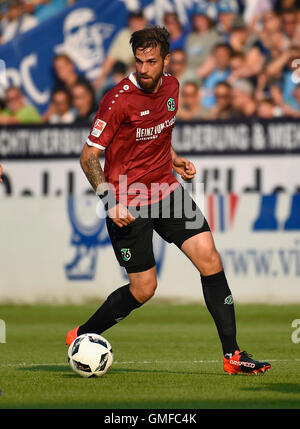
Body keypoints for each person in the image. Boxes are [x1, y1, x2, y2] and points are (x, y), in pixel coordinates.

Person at [66, 25, 271, 376]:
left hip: (166, 191)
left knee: (210, 259)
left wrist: (174, 159)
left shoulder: (173, 87)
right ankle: (83, 334)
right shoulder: (118, 99)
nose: (143, 69)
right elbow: (88, 157)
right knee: (144, 289)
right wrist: (109, 200)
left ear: (166, 60)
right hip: (127, 201)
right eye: (138, 62)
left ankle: (233, 355)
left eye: (151, 61)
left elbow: (158, 134)